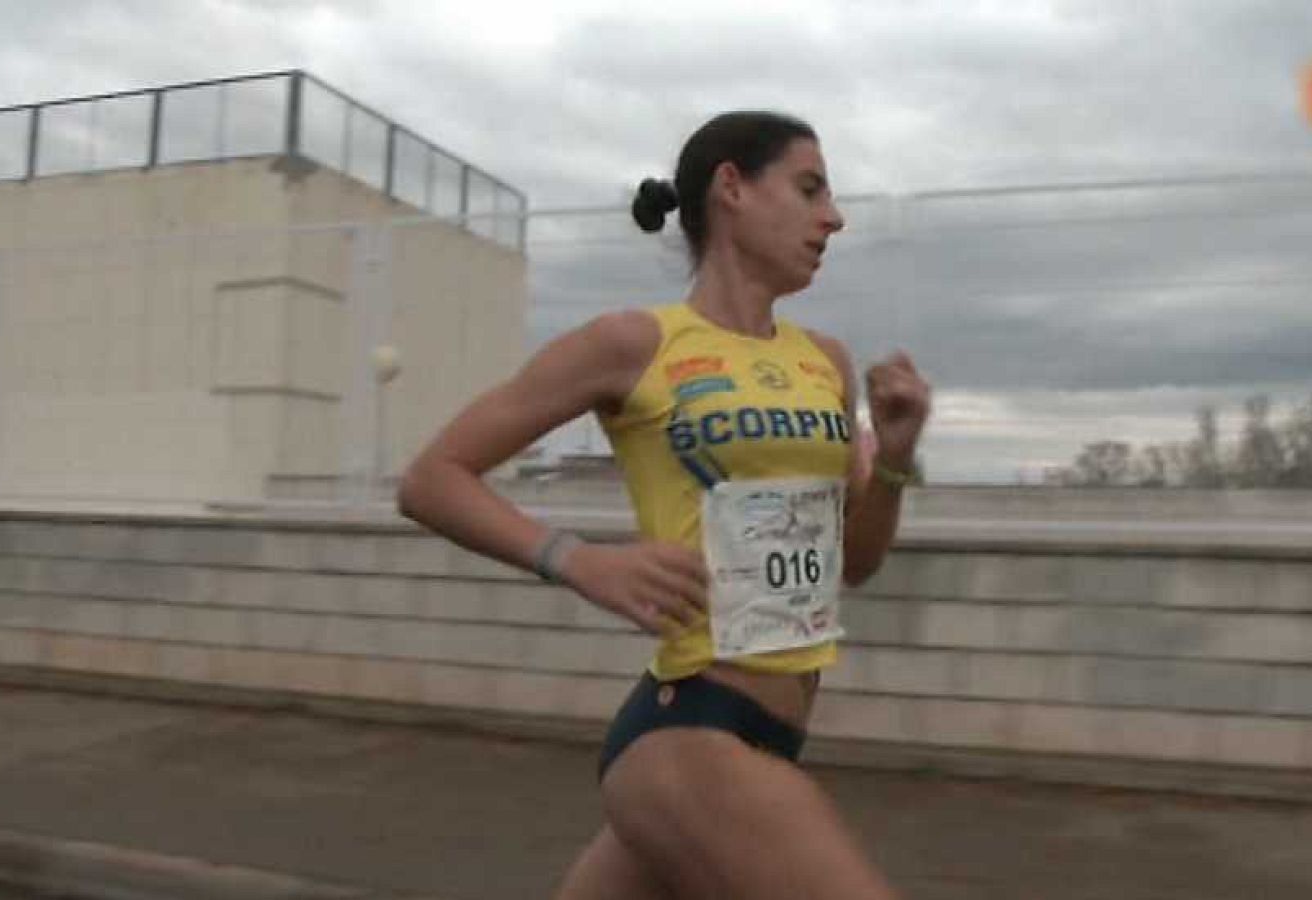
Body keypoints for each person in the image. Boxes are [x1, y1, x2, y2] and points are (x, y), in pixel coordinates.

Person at [397, 110, 931, 900]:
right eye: (811, 187)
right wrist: (574, 559)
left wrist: (894, 459)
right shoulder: (633, 344)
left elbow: (854, 563)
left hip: (772, 740)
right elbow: (432, 478)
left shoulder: (827, 363)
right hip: (688, 734)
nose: (835, 217)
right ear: (731, 189)